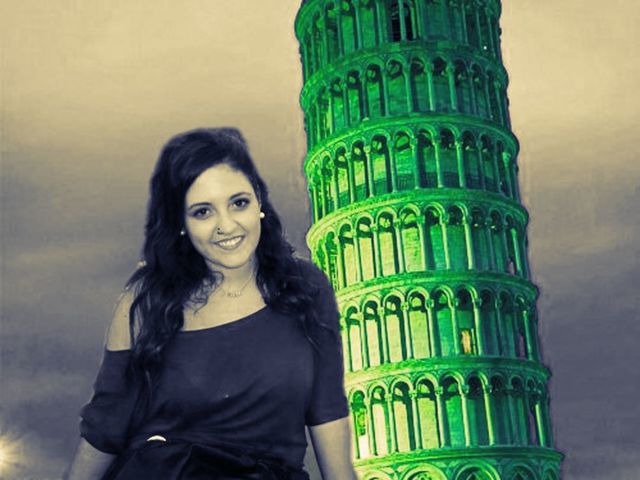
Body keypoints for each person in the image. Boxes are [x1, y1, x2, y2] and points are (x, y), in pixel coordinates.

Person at [65, 128, 357, 480]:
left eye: (239, 203)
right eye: (203, 212)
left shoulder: (305, 288)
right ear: (181, 223)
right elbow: (107, 425)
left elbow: (326, 411)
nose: (226, 225)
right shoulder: (145, 300)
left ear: (259, 202)